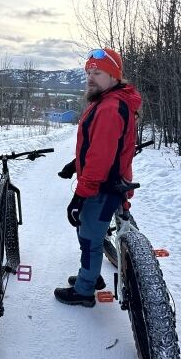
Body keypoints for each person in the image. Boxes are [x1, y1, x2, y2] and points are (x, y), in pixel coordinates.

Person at [54, 48, 142, 307]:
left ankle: (84, 291)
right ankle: (90, 277)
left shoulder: (110, 107)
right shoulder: (109, 102)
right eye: (88, 72)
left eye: (98, 73)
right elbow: (101, 148)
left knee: (90, 239)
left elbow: (101, 158)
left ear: (114, 77)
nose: (90, 78)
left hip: (102, 188)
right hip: (107, 183)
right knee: (91, 234)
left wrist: (80, 196)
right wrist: (74, 165)